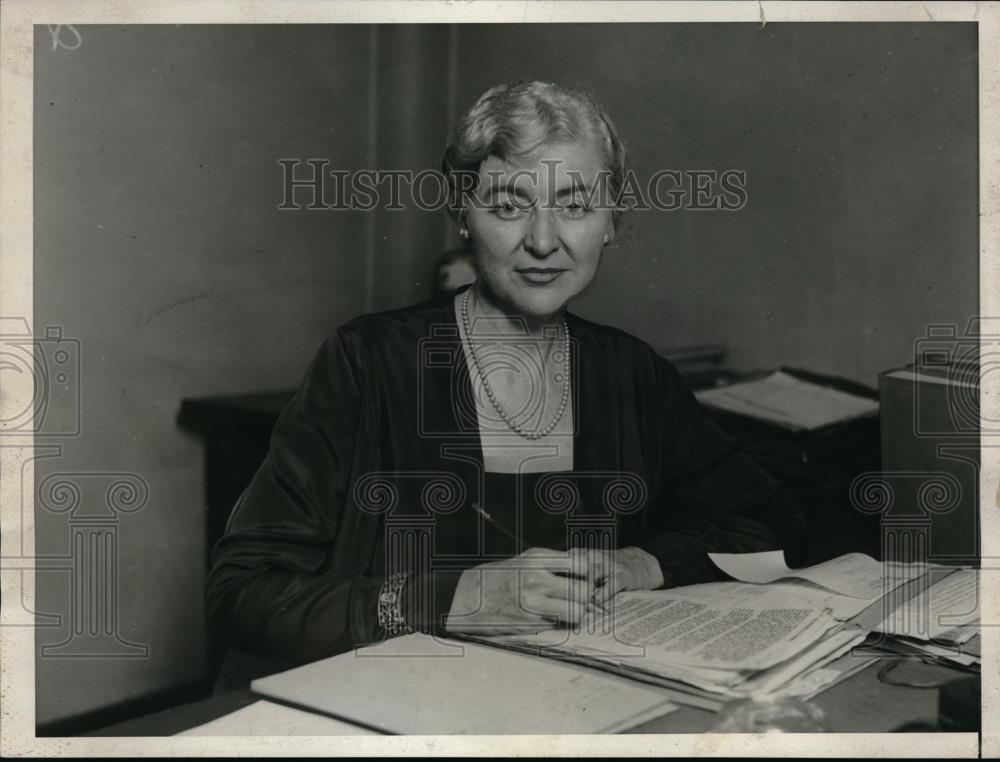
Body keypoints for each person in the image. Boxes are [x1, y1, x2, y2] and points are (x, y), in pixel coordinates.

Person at [205, 80, 806, 681]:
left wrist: (645, 563)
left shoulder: (631, 374)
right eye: (508, 206)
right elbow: (242, 592)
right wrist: (455, 600)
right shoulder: (368, 361)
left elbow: (773, 521)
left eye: (574, 206)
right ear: (461, 215)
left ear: (612, 221)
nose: (543, 242)